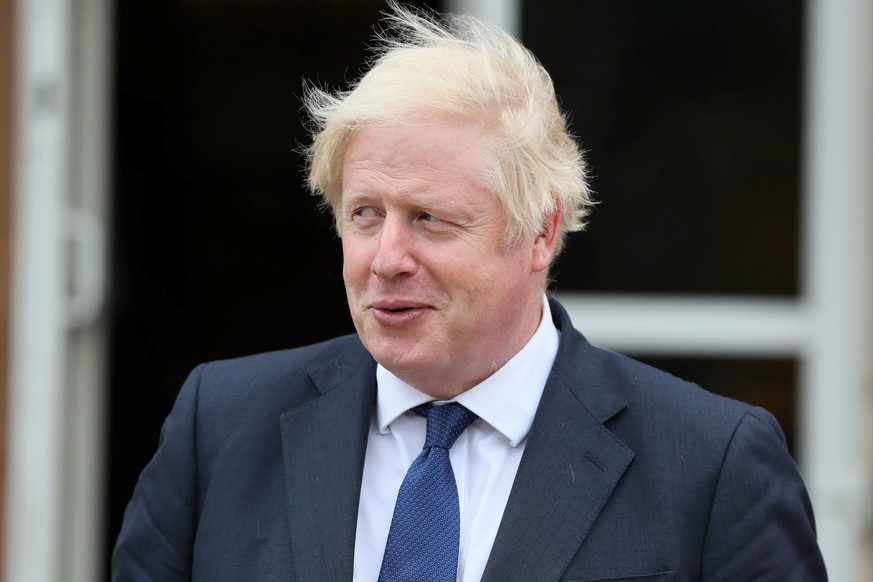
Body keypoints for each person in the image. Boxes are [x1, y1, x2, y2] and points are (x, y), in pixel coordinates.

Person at [112, 3, 827, 581]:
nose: (387, 259)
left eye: (430, 218)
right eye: (365, 215)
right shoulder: (222, 427)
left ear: (541, 233)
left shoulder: (710, 462)